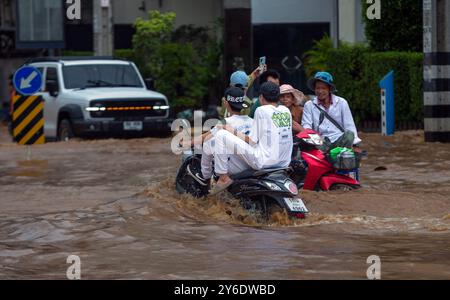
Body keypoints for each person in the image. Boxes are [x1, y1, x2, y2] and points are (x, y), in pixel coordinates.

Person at [210, 81, 293, 194]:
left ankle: (223, 177)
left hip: (264, 162)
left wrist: (230, 130)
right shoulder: (286, 110)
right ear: (278, 97)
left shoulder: (261, 110)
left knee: (221, 135)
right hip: (284, 163)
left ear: (261, 97)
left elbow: (252, 141)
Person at [187, 87, 253, 186]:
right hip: (251, 165)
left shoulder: (225, 123)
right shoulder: (252, 121)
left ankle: (206, 178)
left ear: (226, 103)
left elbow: (205, 137)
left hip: (236, 169)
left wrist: (186, 143)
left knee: (208, 143)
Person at [302, 71, 361, 152]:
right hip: (320, 141)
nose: (320, 91)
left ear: (329, 89)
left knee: (349, 135)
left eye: (323, 88)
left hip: (339, 140)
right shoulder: (309, 105)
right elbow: (306, 126)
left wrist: (355, 144)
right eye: (317, 88)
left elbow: (349, 125)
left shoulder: (342, 102)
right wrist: (316, 139)